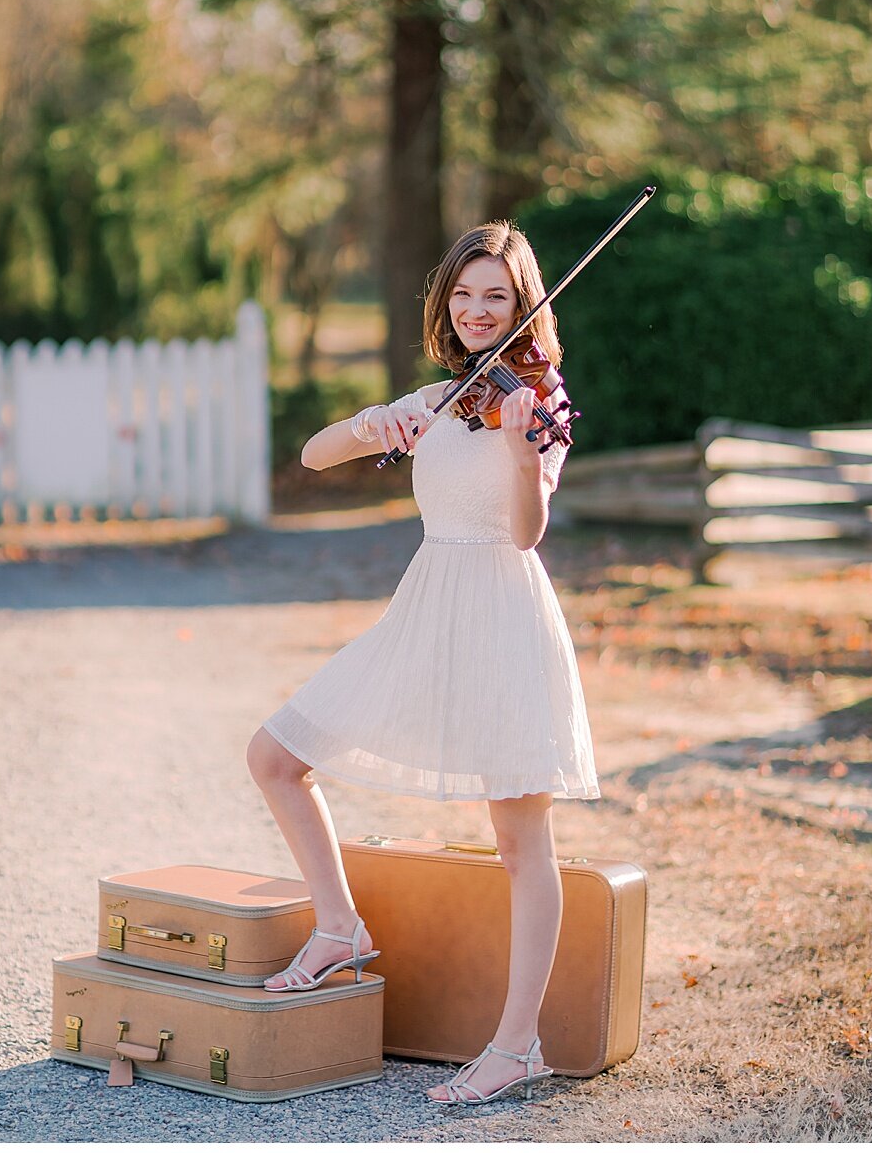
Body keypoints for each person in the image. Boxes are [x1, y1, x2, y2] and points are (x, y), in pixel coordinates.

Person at [246, 219, 599, 1106]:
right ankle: (339, 927)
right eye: (466, 294)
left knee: (521, 842)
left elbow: (526, 535)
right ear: (446, 301)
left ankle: (517, 1045)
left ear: (524, 308)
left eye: (500, 298)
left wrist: (523, 454)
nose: (480, 312)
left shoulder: (536, 407)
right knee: (276, 757)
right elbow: (312, 454)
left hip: (505, 615)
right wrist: (378, 422)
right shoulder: (438, 400)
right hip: (427, 608)